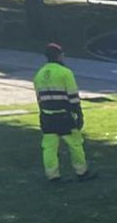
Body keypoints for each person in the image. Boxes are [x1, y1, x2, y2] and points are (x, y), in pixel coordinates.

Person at [35, 43, 93, 183]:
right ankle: (81, 171)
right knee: (75, 143)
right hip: (64, 116)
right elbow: (73, 96)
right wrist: (79, 114)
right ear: (60, 55)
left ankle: (52, 175)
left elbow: (39, 98)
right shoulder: (65, 73)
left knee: (49, 147)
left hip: (47, 115)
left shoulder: (39, 74)